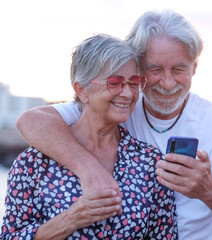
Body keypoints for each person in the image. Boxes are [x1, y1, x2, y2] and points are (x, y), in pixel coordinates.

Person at [16, 9, 212, 240]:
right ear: (139, 66)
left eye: (178, 69)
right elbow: (31, 121)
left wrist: (208, 188)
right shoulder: (117, 103)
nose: (166, 82)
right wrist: (90, 170)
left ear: (194, 67)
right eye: (154, 69)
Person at [1, 34, 177, 239]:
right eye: (114, 82)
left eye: (134, 82)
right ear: (82, 90)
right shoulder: (33, 163)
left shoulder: (150, 162)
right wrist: (72, 218)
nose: (128, 94)